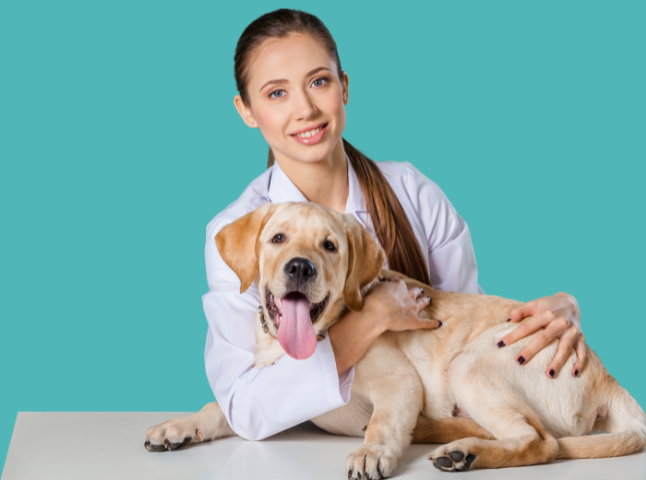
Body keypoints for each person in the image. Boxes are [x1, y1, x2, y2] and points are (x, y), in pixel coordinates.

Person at [204, 8, 586, 441]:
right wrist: (374, 316)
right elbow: (247, 408)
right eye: (276, 93)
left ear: (343, 86)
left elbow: (462, 325)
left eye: (318, 82)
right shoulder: (237, 228)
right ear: (246, 110)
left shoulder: (412, 191)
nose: (305, 109)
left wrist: (560, 310)